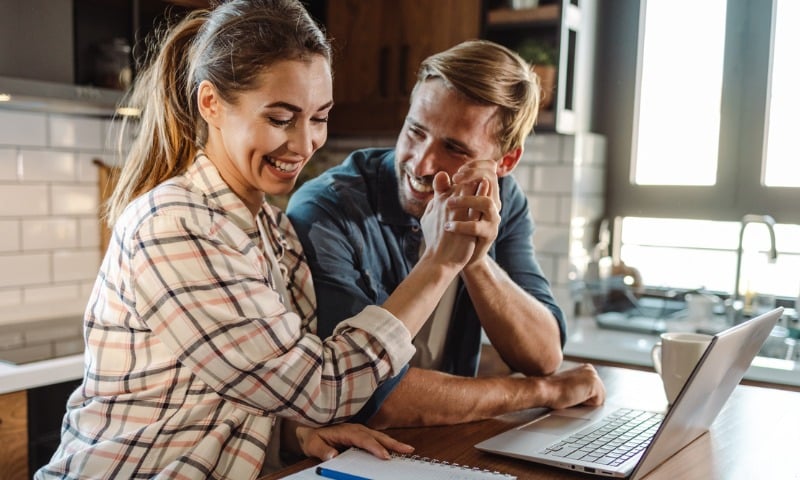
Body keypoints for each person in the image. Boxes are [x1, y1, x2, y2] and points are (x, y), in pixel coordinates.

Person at [35, 1, 482, 478]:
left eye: (319, 117)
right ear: (211, 104)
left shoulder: (273, 229)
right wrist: (438, 265)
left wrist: (294, 435)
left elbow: (223, 396)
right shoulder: (174, 223)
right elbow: (322, 387)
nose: (305, 142)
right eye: (280, 118)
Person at [287, 39, 606, 429]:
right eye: (415, 131)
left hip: (445, 444)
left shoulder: (500, 200)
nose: (422, 163)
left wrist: (475, 258)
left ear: (504, 162)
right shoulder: (326, 210)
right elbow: (363, 395)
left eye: (454, 148)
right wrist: (543, 392)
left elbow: (543, 356)